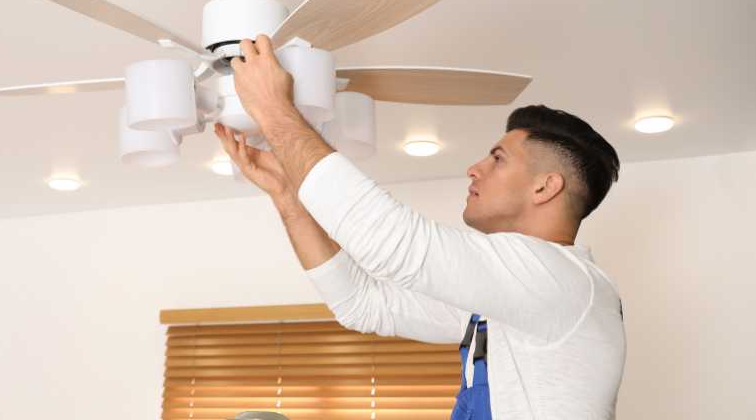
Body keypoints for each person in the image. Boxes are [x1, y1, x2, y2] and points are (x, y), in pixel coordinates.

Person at [214, 34, 626, 420]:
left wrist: (275, 111)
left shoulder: (561, 279)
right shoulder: (511, 302)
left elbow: (395, 244)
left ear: (544, 186)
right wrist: (288, 195)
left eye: (498, 158)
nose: (475, 168)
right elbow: (363, 304)